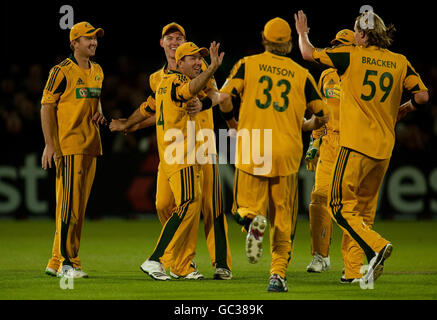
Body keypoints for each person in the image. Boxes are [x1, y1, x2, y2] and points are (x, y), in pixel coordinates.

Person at [295, 9, 429, 284]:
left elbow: (308, 54)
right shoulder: (400, 61)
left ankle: (376, 247)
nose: (355, 36)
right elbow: (423, 96)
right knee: (364, 210)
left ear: (363, 34)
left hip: (354, 146)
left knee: (338, 205)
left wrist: (302, 33)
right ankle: (354, 272)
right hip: (384, 150)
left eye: (357, 32)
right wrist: (404, 109)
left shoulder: (352, 55)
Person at [110, 23, 232, 280]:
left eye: (180, 37)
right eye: (170, 38)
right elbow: (158, 112)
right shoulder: (160, 79)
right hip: (177, 149)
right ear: (163, 44)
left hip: (203, 146)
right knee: (166, 204)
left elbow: (218, 97)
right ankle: (175, 261)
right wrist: (130, 125)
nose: (175, 41)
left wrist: (203, 102)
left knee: (210, 207)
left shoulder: (198, 71)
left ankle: (218, 263)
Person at [219, 17, 328, 292]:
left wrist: (232, 124)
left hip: (253, 147)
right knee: (283, 222)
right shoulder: (301, 74)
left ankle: (249, 218)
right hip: (287, 153)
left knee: (243, 207)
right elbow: (323, 115)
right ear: (289, 43)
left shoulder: (247, 64)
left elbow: (223, 98)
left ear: (263, 39)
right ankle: (277, 276)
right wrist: (304, 125)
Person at [41, 21, 106, 278]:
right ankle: (69, 264)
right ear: (74, 43)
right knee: (69, 207)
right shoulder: (61, 71)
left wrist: (100, 115)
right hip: (68, 147)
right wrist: (49, 144)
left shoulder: (98, 70)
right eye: (88, 38)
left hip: (91, 145)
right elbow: (47, 106)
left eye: (95, 38)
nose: (94, 42)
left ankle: (57, 260)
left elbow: (95, 102)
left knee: (76, 208)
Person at [304, 30, 356, 278]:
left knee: (350, 204)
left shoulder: (360, 74)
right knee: (318, 198)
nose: (335, 49)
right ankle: (320, 256)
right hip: (330, 143)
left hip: (355, 144)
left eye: (341, 46)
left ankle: (353, 260)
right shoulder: (326, 75)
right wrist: (314, 143)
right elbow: (322, 112)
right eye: (334, 45)